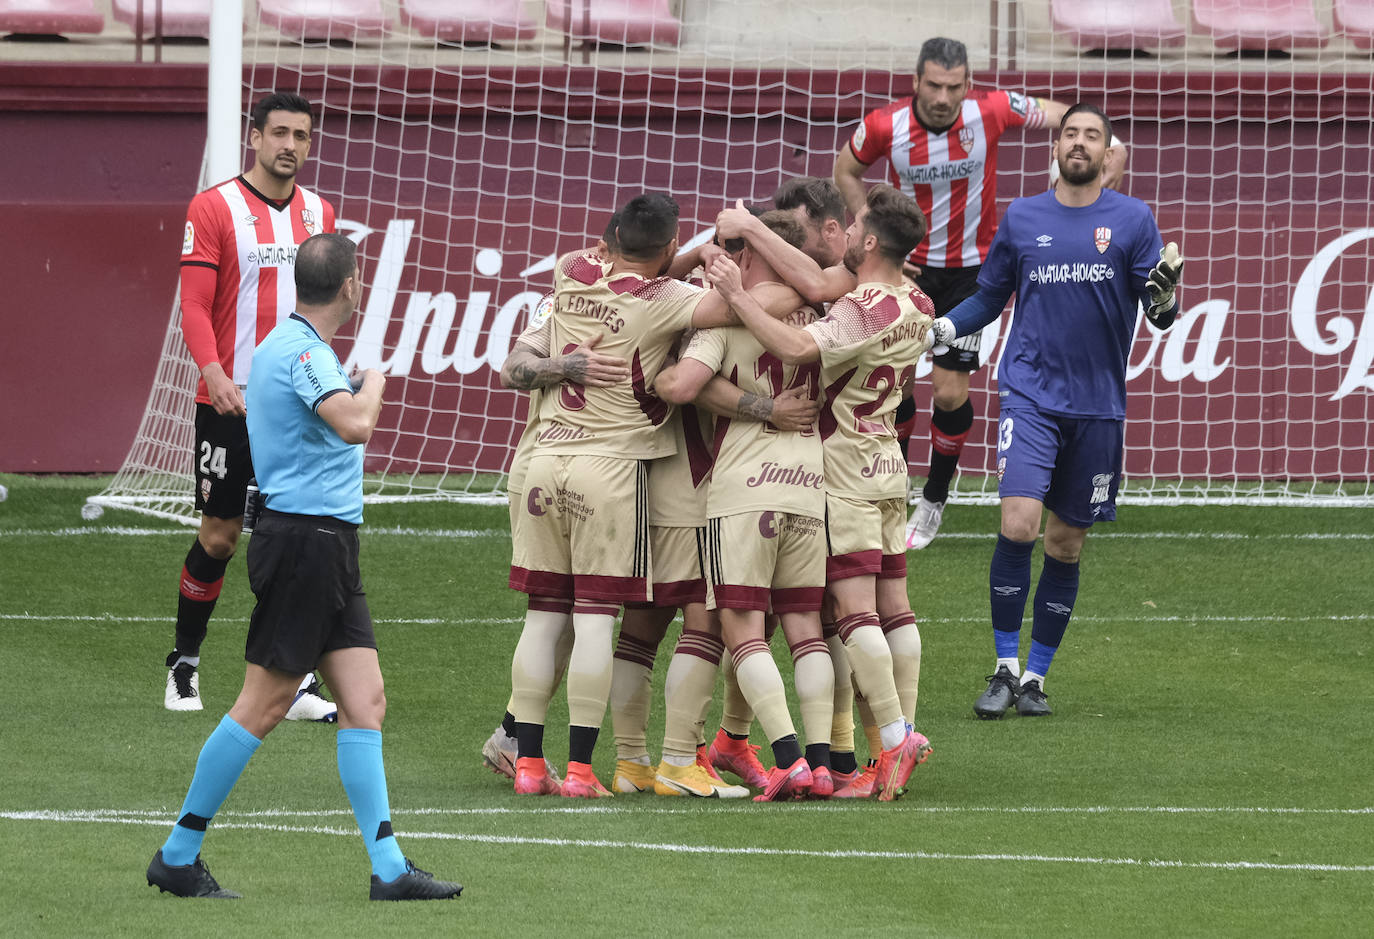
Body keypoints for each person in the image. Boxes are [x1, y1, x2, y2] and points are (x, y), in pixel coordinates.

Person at [145, 233, 463, 901]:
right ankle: (177, 853)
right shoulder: (305, 353)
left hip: (326, 548)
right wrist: (373, 384)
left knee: (364, 700)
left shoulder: (285, 349)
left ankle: (389, 869)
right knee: (262, 705)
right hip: (305, 546)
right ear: (353, 285)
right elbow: (353, 424)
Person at [506, 193, 800, 798]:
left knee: (545, 619)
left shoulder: (568, 270)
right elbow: (727, 325)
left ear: (608, 236)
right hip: (613, 469)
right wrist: (819, 284)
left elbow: (518, 363)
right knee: (597, 620)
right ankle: (597, 768)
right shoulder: (672, 303)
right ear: (667, 250)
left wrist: (685, 252)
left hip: (541, 459)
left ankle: (533, 765)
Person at [925, 104, 1182, 718]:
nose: (1080, 143)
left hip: (1097, 408)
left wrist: (1169, 298)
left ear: (1108, 152)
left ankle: (1037, 677)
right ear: (1057, 146)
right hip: (1029, 394)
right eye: (1071, 133)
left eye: (1092, 135)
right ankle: (1003, 668)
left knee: (1066, 544)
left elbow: (1158, 311)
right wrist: (940, 327)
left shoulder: (1133, 220)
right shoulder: (1023, 217)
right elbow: (989, 296)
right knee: (1018, 524)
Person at [706, 185, 935, 801]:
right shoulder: (917, 300)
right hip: (888, 460)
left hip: (846, 469)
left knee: (856, 613)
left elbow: (796, 345)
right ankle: (891, 752)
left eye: (855, 225)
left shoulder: (864, 308)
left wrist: (733, 293)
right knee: (897, 608)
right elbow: (817, 280)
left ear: (869, 241)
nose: (847, 233)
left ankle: (894, 739)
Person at [833, 37, 1069, 552]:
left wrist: (1095, 144)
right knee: (895, 384)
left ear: (969, 85)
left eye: (954, 87)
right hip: (905, 269)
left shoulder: (994, 109)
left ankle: (934, 497)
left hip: (971, 272)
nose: (943, 96)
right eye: (934, 85)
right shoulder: (883, 125)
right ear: (916, 82)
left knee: (948, 392)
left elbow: (1062, 114)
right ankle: (892, 489)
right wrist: (871, 226)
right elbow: (845, 170)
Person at [164, 91, 335, 721]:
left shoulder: (320, 213)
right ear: (255, 138)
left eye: (303, 136)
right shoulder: (213, 208)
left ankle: (294, 680)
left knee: (292, 539)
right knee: (221, 535)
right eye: (281, 133)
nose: (291, 145)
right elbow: (194, 304)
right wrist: (213, 372)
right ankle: (184, 663)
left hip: (294, 406)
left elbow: (323, 308)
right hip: (227, 401)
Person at [656, 210, 834, 801]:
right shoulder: (827, 309)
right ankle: (825, 759)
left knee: (731, 627)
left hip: (741, 489)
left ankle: (783, 759)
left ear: (745, 254)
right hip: (812, 484)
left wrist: (654, 372)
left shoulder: (722, 316)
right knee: (807, 629)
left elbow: (682, 386)